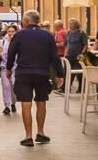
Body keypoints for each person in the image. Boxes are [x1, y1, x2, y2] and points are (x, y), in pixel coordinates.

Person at [5, 10, 58, 148]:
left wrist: (9, 69)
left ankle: (28, 136)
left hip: (24, 74)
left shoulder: (19, 35)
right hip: (42, 74)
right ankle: (40, 133)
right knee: (41, 102)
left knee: (26, 103)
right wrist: (60, 74)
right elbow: (55, 57)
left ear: (27, 21)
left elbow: (11, 53)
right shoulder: (48, 36)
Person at [0, 24, 18, 115]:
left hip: (16, 68)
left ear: (16, 32)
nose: (10, 33)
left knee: (14, 87)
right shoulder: (3, 41)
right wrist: (1, 55)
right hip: (5, 67)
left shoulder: (19, 42)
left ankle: (13, 103)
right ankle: (7, 106)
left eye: (13, 31)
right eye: (9, 31)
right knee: (6, 86)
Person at [64, 18, 88, 91]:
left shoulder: (82, 33)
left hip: (78, 56)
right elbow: (66, 44)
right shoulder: (68, 33)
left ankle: (81, 88)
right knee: (67, 71)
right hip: (69, 56)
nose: (69, 24)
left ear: (76, 24)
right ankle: (66, 88)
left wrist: (82, 53)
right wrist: (65, 53)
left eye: (71, 23)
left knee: (78, 72)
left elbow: (85, 45)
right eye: (70, 23)